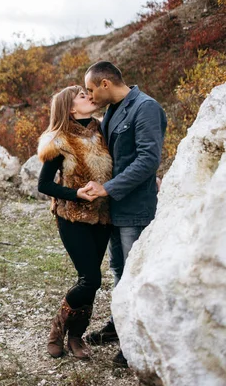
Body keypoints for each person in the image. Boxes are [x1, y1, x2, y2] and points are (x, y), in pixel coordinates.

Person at [82, 61, 167, 366]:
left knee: (138, 274)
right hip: (115, 210)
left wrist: (108, 188)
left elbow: (147, 160)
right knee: (119, 270)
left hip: (136, 208)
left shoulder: (146, 108)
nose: (90, 96)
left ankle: (138, 338)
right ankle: (120, 325)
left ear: (106, 84)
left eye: (91, 89)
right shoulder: (114, 110)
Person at [37, 85, 113, 360]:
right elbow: (44, 184)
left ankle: (76, 338)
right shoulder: (59, 139)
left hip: (103, 216)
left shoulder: (105, 131)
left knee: (90, 281)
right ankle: (57, 330)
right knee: (91, 278)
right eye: (82, 96)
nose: (89, 96)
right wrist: (76, 194)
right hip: (72, 216)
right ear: (70, 108)